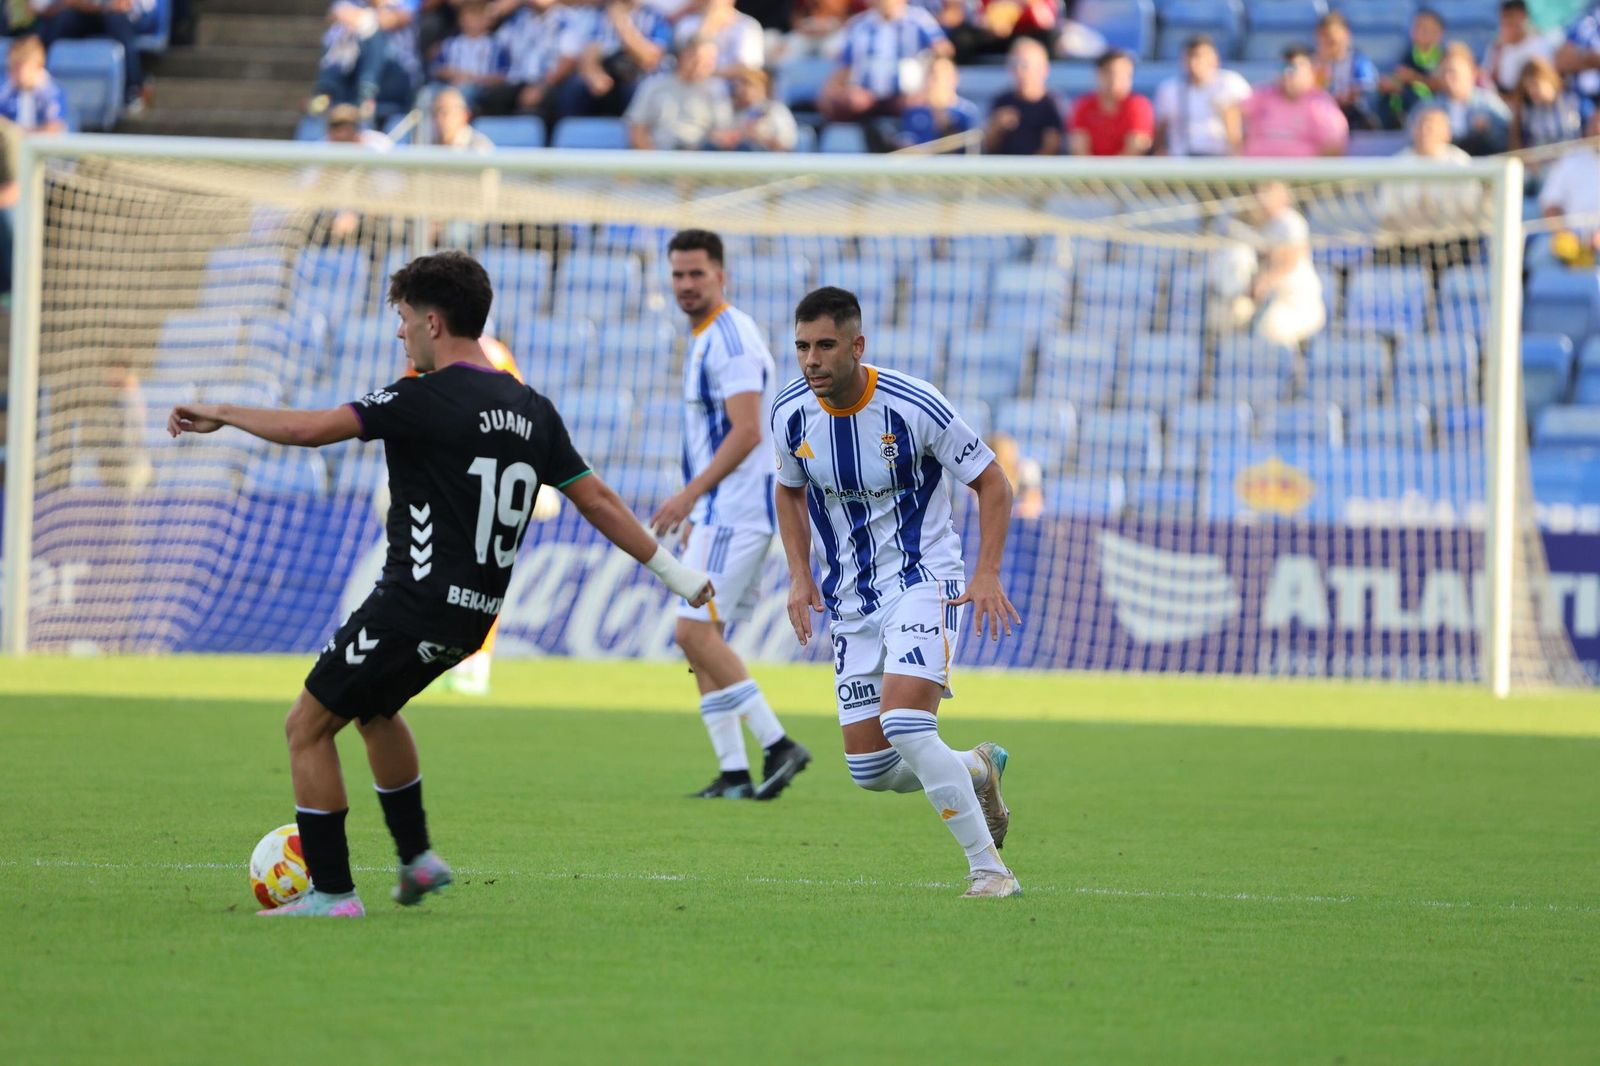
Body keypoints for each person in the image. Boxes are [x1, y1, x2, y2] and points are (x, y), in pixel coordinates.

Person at [166, 252, 715, 917]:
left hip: (411, 604)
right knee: (375, 710)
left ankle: (333, 894)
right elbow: (596, 499)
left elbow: (310, 430)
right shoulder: (533, 409)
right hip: (473, 619)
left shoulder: (421, 399)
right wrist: (677, 575)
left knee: (306, 727)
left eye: (402, 320)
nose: (400, 334)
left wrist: (222, 410)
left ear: (432, 320)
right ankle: (417, 860)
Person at [771, 286, 1023, 899]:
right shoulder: (790, 415)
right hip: (851, 599)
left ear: (857, 345)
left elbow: (994, 483)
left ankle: (991, 872)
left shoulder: (915, 407)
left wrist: (985, 572)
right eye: (803, 346)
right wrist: (800, 576)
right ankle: (975, 767)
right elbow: (788, 490)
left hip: (923, 581)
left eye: (826, 345)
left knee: (908, 726)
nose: (812, 360)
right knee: (872, 770)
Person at [646, 230, 811, 800]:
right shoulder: (706, 337)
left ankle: (778, 744)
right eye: (678, 275)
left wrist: (691, 496)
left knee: (691, 630)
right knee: (701, 637)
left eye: (697, 274)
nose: (686, 285)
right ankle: (735, 773)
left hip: (736, 510)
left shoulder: (733, 339)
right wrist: (699, 505)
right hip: (721, 511)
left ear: (722, 276)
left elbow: (747, 431)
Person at [1211, 181, 1326, 348]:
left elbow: (1287, 261)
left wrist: (1257, 288)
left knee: (1270, 331)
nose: (1262, 199)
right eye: (1260, 193)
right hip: (1265, 299)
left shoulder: (1291, 222)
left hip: (1296, 304)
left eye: (1268, 194)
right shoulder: (1255, 223)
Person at [818, 0, 951, 123]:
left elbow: (943, 53)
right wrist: (831, 92)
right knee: (842, 104)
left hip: (905, 94)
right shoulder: (858, 24)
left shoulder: (919, 20)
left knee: (919, 108)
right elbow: (844, 65)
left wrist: (930, 87)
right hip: (867, 94)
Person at [30, 0, 155, 113]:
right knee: (59, 21)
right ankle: (41, 84)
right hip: (83, 12)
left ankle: (133, 88)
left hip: (123, 16)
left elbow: (127, 5)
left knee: (117, 21)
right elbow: (41, 6)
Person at [1378, 107, 1484, 231]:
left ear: (1446, 133)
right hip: (1406, 238)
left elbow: (1470, 207)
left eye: (1431, 127)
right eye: (1420, 126)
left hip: (1452, 237)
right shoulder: (1397, 164)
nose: (1424, 132)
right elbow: (1387, 212)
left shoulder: (1459, 162)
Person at [477, 0, 586, 119]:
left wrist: (542, 86)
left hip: (549, 83)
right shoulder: (517, 18)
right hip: (516, 81)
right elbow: (487, 33)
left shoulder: (567, 19)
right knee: (489, 97)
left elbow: (568, 60)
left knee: (533, 106)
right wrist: (500, 10)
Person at [566, 0, 672, 117]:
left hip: (638, 74)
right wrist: (593, 74)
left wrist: (622, 24)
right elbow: (590, 49)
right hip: (607, 73)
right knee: (576, 87)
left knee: (636, 90)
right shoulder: (600, 14)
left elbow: (649, 59)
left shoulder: (655, 15)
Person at [624, 36, 732, 149]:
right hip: (660, 156)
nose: (705, 65)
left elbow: (722, 132)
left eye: (710, 60)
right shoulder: (653, 85)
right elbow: (637, 128)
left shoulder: (717, 90)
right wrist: (653, 162)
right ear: (683, 56)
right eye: (699, 58)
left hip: (701, 158)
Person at [1240, 45, 1348, 157]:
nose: (1287, 74)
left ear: (1311, 71)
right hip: (1255, 170)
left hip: (1302, 172)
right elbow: (1233, 114)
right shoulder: (1262, 94)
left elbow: (1334, 144)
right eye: (1283, 67)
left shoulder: (1320, 103)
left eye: (1294, 68)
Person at [1152, 34, 1249, 157]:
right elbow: (1160, 130)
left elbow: (1252, 121)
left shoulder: (1231, 83)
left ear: (1214, 59)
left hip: (1223, 159)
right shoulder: (1169, 89)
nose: (1194, 63)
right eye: (1190, 57)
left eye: (1200, 56)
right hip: (1181, 161)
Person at [1539, 109, 1600, 267]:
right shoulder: (1570, 160)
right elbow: (1550, 204)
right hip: (1571, 238)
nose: (1597, 129)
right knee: (1538, 256)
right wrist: (1563, 233)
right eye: (1594, 124)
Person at [983, 36, 1063, 155]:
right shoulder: (1002, 100)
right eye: (1014, 64)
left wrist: (1025, 172)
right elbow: (988, 147)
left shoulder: (1051, 103)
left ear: (1043, 69)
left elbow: (1051, 150)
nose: (1018, 71)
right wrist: (996, 126)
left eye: (1024, 65)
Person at [1067, 49, 1153, 156]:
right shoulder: (1083, 105)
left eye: (1124, 74)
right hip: (1089, 172)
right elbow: (1079, 149)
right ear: (1098, 74)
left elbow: (1135, 150)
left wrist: (1108, 172)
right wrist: (1093, 172)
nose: (1115, 79)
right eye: (1110, 73)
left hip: (1127, 173)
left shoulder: (1139, 106)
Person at [1430, 42, 1511, 155]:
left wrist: (1488, 130)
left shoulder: (1488, 104)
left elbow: (1509, 138)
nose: (1448, 78)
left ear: (1471, 72)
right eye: (1444, 72)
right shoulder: (1430, 108)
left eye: (1453, 72)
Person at [428, 0, 509, 111]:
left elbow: (501, 77)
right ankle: (423, 128)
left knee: (464, 92)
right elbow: (436, 69)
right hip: (449, 86)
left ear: (487, 20)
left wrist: (472, 78)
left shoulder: (496, 46)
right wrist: (451, 73)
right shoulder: (450, 44)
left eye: (476, 17)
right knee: (427, 93)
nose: (471, 21)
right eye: (468, 16)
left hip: (479, 89)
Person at [1380, 7, 1447, 127]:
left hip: (1435, 106)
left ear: (1438, 33)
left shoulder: (1444, 56)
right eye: (1417, 27)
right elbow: (1399, 79)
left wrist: (1414, 77)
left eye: (1425, 28)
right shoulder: (1407, 55)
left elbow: (1442, 85)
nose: (1419, 32)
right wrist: (1390, 84)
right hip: (1408, 102)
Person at [1313, 12, 1380, 131]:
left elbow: (1368, 84)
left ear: (1346, 35)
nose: (1330, 43)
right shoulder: (1312, 63)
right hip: (1320, 113)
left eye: (1333, 39)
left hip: (1351, 113)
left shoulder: (1358, 60)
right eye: (1325, 37)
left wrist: (1352, 93)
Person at [898, 55, 982, 148]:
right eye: (933, 76)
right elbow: (906, 145)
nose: (938, 81)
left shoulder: (967, 113)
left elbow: (971, 149)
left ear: (955, 78)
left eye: (944, 76)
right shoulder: (914, 111)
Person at [708, 68, 799, 150]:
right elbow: (715, 134)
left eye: (748, 84)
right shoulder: (727, 109)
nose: (742, 89)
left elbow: (787, 143)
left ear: (762, 87)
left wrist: (761, 137)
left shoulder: (776, 110)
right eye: (739, 84)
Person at [1509, 54, 1585, 151]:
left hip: (1574, 157)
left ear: (1547, 78)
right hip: (1542, 163)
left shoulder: (1572, 98)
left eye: (1535, 84)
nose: (1532, 91)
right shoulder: (1528, 110)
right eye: (1528, 87)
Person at [1483, 0, 1557, 95]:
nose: (1506, 25)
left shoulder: (1540, 45)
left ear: (1523, 17)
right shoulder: (1497, 48)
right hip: (1504, 101)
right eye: (1504, 20)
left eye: (1511, 19)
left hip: (1531, 103)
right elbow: (1489, 81)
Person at [674, 0, 764, 78]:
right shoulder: (687, 23)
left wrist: (710, 74)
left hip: (729, 90)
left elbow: (749, 68)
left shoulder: (747, 25)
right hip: (689, 85)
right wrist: (708, 25)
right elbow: (685, 63)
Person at [0, 34, 67, 134]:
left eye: (18, 68)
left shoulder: (50, 92)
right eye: (10, 67)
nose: (12, 73)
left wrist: (21, 133)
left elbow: (54, 127)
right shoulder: (7, 91)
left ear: (37, 65)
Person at [1555, 1, 1600, 107]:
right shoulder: (1579, 15)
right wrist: (1592, 59)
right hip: (1578, 101)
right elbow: (1562, 59)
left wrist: (1581, 58)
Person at [426, 85, 495, 150]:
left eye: (445, 112)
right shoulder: (428, 144)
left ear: (464, 115)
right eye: (434, 113)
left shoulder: (479, 147)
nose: (438, 118)